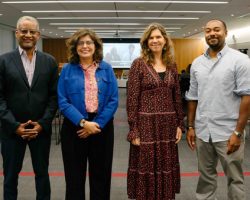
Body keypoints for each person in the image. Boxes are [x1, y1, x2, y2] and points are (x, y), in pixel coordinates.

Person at [186, 19, 250, 200]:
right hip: (203, 131)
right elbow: (192, 97)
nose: (212, 33)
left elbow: (247, 97)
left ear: (225, 32)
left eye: (216, 30)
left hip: (228, 132)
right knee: (205, 179)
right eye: (208, 31)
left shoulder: (241, 60)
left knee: (235, 179)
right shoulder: (197, 63)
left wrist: (238, 132)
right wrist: (190, 126)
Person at [0, 16, 58, 200]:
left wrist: (43, 123)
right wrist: (14, 125)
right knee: (10, 177)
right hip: (11, 130)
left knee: (42, 175)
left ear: (38, 35)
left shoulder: (49, 61)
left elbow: (54, 96)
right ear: (16, 33)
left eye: (32, 31)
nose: (28, 35)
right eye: (23, 31)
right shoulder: (3, 61)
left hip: (40, 130)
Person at [57, 28, 118, 200]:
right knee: (74, 177)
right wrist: (83, 123)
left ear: (95, 46)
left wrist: (95, 124)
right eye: (81, 43)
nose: (85, 46)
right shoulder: (68, 69)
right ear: (75, 47)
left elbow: (113, 99)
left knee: (101, 175)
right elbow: (62, 101)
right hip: (75, 128)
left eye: (89, 42)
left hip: (102, 128)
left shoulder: (106, 69)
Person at [126, 22, 184, 200]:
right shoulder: (138, 64)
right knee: (147, 166)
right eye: (151, 38)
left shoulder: (172, 65)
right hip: (146, 126)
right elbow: (132, 98)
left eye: (158, 37)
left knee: (165, 164)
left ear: (165, 40)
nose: (155, 40)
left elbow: (176, 96)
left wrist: (179, 124)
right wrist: (133, 128)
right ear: (146, 42)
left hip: (167, 125)